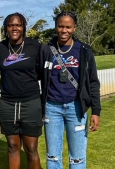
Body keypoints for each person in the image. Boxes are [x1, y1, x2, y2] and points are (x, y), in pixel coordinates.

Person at [39, 12, 101, 169]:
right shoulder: (46, 49)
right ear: (56, 27)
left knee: (78, 158)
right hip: (52, 109)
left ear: (74, 28)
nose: (64, 30)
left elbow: (93, 82)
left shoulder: (84, 50)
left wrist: (96, 111)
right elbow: (35, 75)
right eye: (60, 26)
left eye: (68, 27)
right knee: (53, 157)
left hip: (76, 108)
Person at [0, 13, 42, 169]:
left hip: (31, 102)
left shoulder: (35, 46)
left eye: (18, 25)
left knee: (31, 149)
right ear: (6, 28)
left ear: (23, 27)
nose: (14, 28)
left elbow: (41, 71)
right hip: (8, 103)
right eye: (10, 25)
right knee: (13, 147)